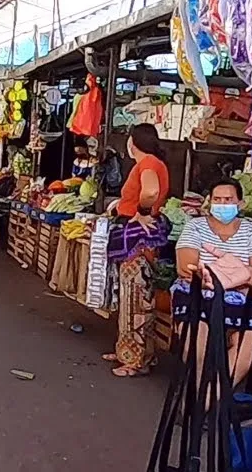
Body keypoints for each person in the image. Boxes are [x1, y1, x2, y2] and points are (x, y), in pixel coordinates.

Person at [172, 178, 252, 395]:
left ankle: (208, 401)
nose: (222, 204)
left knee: (243, 357)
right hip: (201, 295)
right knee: (197, 347)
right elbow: (186, 266)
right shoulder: (195, 226)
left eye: (228, 199)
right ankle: (203, 402)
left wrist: (226, 275)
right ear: (209, 202)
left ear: (240, 204)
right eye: (217, 199)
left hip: (246, 303)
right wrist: (230, 277)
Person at [104, 123, 170, 378]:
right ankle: (129, 351)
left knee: (136, 299)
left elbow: (151, 192)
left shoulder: (148, 163)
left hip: (137, 241)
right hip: (137, 239)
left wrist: (141, 213)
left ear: (133, 141)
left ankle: (136, 360)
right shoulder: (151, 163)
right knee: (134, 298)